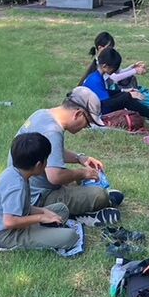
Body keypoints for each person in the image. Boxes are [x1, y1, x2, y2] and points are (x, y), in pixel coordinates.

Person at [14, 87, 123, 221]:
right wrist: (83, 173)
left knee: (77, 181)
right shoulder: (52, 132)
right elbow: (55, 177)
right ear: (78, 114)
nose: (85, 127)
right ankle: (84, 213)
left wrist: (79, 158)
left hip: (21, 191)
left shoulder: (41, 114)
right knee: (99, 196)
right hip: (36, 198)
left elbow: (52, 152)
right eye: (88, 123)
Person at [0, 132, 80, 253]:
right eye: (46, 160)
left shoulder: (15, 172)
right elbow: (9, 222)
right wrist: (40, 217)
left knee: (61, 210)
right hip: (8, 235)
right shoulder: (16, 186)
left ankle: (44, 230)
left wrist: (43, 211)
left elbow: (21, 208)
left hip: (20, 221)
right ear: (39, 165)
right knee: (70, 237)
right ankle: (44, 232)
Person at [82, 47, 149, 121]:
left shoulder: (97, 75)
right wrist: (127, 95)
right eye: (114, 68)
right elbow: (106, 103)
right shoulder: (95, 79)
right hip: (97, 112)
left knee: (125, 96)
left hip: (97, 107)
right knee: (126, 98)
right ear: (104, 66)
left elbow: (106, 92)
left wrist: (123, 91)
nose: (115, 71)